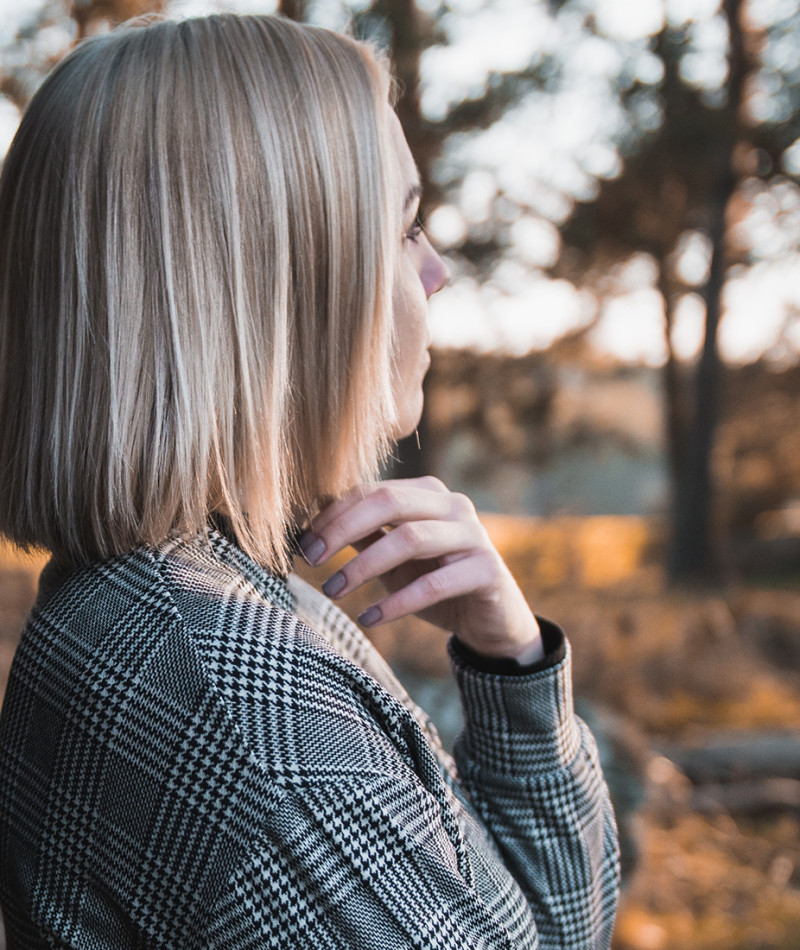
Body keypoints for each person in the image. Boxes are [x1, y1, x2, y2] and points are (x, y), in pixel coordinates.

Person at [0, 13, 619, 949]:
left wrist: (512, 662)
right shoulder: (249, 721)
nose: (437, 271)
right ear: (283, 282)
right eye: (405, 226)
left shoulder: (201, 602)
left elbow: (555, 928)